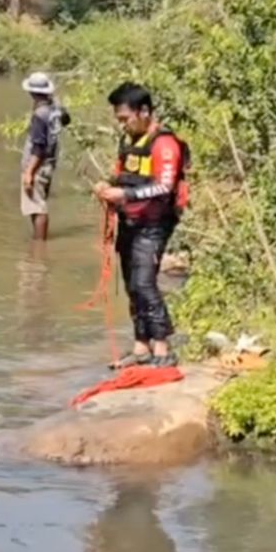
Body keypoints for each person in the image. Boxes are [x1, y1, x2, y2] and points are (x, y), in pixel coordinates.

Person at [93, 82, 190, 368]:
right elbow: (123, 176)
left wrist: (125, 195)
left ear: (144, 111)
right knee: (132, 286)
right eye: (119, 119)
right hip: (129, 220)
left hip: (154, 223)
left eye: (126, 118)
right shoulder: (130, 142)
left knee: (145, 284)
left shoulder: (164, 144)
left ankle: (163, 348)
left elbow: (164, 186)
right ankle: (141, 347)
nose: (122, 124)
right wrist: (107, 187)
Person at [20, 72, 71, 241]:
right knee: (38, 203)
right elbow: (67, 119)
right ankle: (39, 243)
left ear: (32, 93)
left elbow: (38, 147)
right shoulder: (55, 109)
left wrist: (29, 172)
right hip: (49, 163)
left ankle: (39, 247)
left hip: (38, 164)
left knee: (37, 207)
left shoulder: (39, 115)